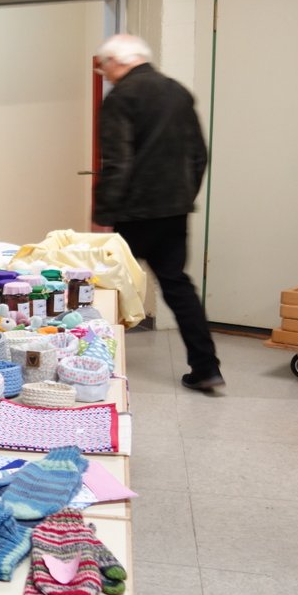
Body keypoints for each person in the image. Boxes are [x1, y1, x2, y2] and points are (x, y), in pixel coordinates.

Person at [92, 33, 222, 391]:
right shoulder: (177, 91)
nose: (104, 74)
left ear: (117, 61)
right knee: (177, 285)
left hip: (133, 213)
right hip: (173, 211)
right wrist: (182, 197)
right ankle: (206, 368)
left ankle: (90, 362)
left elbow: (118, 163)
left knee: (106, 285)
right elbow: (199, 155)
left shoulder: (122, 97)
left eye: (104, 66)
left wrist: (102, 214)